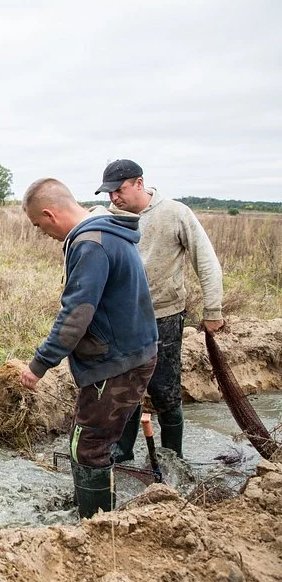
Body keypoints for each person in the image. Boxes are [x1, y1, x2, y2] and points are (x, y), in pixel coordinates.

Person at [20, 178, 158, 518]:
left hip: (116, 363)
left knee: (88, 446)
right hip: (132, 352)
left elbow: (76, 314)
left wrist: (39, 365)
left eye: (39, 226)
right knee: (91, 439)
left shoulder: (90, 244)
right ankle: (97, 508)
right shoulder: (106, 232)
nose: (43, 234)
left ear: (50, 215)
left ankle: (95, 527)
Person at [97, 159, 225, 461]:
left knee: (164, 388)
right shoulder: (108, 217)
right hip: (124, 319)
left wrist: (213, 310)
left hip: (164, 316)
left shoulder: (175, 213)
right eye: (109, 192)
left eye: (119, 190)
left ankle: (171, 455)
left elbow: (206, 261)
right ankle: (122, 451)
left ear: (139, 183)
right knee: (126, 387)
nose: (114, 197)